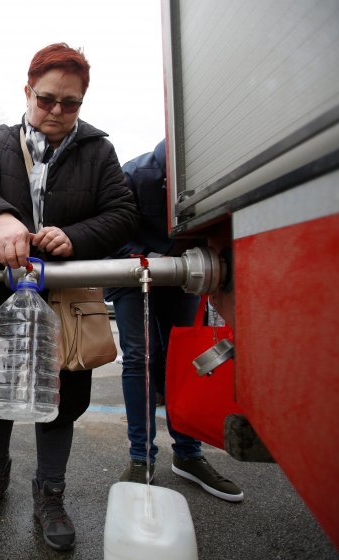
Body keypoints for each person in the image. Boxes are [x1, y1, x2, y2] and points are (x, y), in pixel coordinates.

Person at [0, 43, 138, 551]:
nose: (56, 111)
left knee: (62, 397)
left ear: (83, 101)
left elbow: (123, 213)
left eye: (71, 102)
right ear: (27, 90)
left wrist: (75, 236)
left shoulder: (98, 151)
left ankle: (50, 493)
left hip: (64, 299)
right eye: (47, 98)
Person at [104, 139, 244, 502]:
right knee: (140, 358)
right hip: (133, 275)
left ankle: (188, 454)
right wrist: (153, 258)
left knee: (185, 358)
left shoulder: (214, 176)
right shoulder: (133, 175)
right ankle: (141, 459)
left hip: (184, 276)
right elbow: (108, 233)